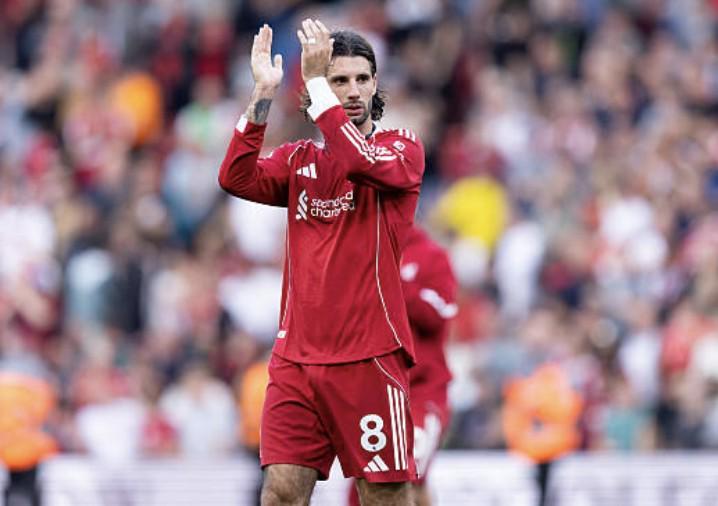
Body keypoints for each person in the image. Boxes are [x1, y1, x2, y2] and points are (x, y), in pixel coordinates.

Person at [218, 18, 425, 506]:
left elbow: (356, 161)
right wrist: (263, 95)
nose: (352, 91)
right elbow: (235, 177)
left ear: (375, 85)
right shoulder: (299, 160)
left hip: (369, 357)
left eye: (361, 79)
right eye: (339, 80)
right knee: (280, 494)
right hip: (296, 361)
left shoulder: (400, 148)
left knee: (385, 496)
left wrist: (316, 86)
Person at [348, 225, 458, 506]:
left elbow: (439, 314)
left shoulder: (431, 256)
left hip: (422, 390)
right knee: (366, 485)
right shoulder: (358, 253)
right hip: (374, 394)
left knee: (409, 476)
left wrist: (389, 280)